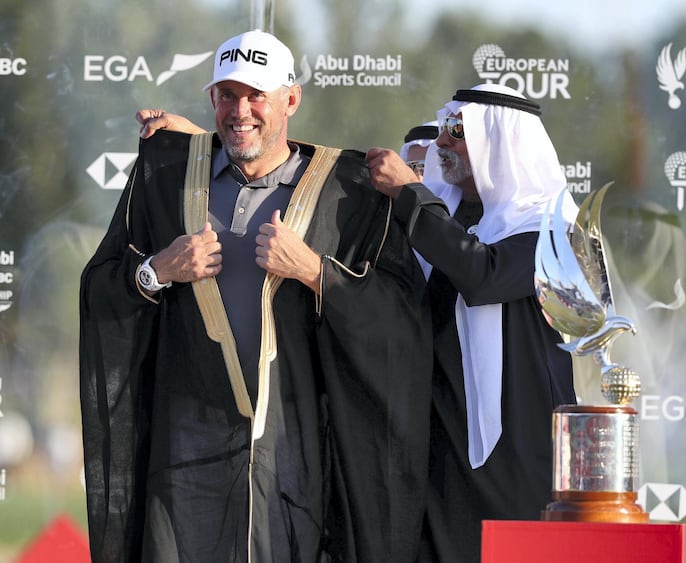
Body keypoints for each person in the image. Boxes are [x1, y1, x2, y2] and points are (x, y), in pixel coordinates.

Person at [80, 30, 432, 563]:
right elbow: (101, 287)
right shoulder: (169, 179)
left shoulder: (347, 195)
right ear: (212, 100)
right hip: (183, 454)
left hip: (293, 456)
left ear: (290, 100)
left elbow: (401, 323)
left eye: (256, 96)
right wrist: (158, 269)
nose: (240, 110)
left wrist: (315, 272)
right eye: (227, 94)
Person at [366, 83, 580, 562]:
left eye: (457, 131)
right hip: (438, 444)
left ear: (501, 142)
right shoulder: (448, 218)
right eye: (444, 129)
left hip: (516, 451)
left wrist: (409, 193)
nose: (442, 142)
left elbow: (482, 275)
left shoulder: (552, 229)